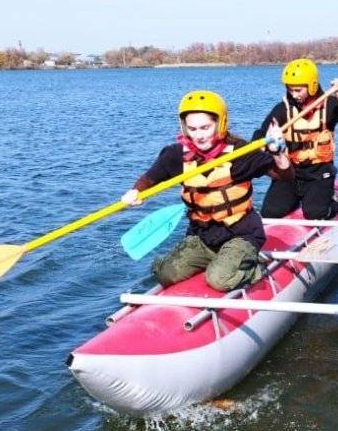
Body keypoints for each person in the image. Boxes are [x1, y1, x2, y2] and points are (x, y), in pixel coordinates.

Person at [122, 90, 293, 292]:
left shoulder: (240, 152)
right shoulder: (175, 155)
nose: (199, 135)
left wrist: (279, 153)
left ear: (220, 123)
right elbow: (151, 177)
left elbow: (285, 176)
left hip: (240, 234)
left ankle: (254, 266)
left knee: (219, 279)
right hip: (202, 236)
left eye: (205, 127)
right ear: (184, 127)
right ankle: (216, 261)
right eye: (192, 129)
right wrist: (136, 191)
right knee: (164, 273)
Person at [252, 58, 338, 219]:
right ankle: (296, 201)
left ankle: (334, 202)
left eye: (298, 90)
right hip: (291, 173)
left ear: (312, 86)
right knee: (270, 213)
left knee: (314, 213)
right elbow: (261, 133)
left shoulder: (330, 104)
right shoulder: (282, 110)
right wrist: (258, 145)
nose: (294, 94)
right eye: (290, 90)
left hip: (320, 172)